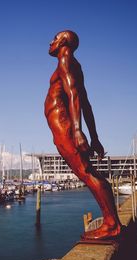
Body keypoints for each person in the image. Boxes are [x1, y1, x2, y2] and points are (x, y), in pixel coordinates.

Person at [44, 30, 122, 240]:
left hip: (64, 125)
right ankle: (112, 222)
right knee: (88, 171)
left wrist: (78, 131)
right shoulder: (75, 64)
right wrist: (94, 136)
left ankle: (112, 224)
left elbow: (74, 94)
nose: (51, 42)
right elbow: (85, 103)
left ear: (64, 41)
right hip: (65, 126)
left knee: (86, 172)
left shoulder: (65, 57)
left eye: (55, 38)